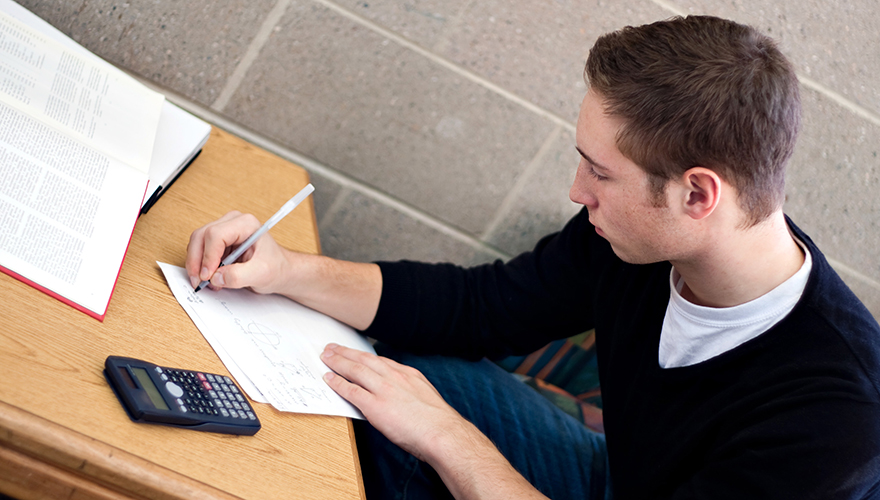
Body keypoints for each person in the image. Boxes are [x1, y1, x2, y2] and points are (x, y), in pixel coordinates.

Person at [186, 15, 880, 499]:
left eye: (600, 174)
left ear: (698, 194)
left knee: (423, 424)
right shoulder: (633, 241)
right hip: (615, 480)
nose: (578, 192)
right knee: (393, 378)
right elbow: (478, 309)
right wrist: (287, 270)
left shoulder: (837, 419)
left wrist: (448, 440)